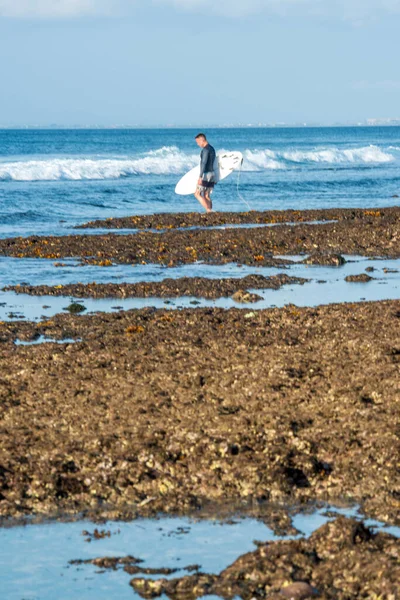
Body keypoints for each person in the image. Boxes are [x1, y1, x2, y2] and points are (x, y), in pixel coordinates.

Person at [194, 133, 216, 213]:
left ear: (202, 140)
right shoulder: (212, 149)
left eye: (198, 142)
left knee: (197, 194)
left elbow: (203, 163)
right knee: (206, 195)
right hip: (212, 174)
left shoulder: (205, 150)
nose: (198, 144)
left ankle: (208, 210)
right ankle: (209, 212)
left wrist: (200, 176)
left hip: (206, 174)